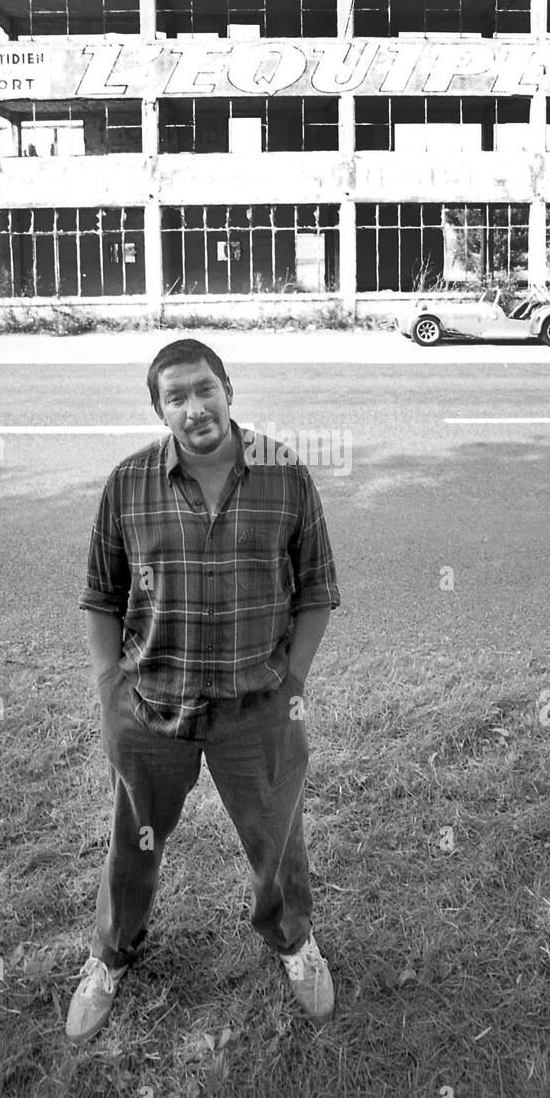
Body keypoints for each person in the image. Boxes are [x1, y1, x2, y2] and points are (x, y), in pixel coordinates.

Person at [66, 337, 340, 1042]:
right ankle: (111, 955)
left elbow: (316, 590)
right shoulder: (128, 484)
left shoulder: (285, 475)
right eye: (175, 398)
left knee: (276, 838)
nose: (194, 408)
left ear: (228, 388)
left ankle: (291, 941)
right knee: (135, 840)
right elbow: (102, 596)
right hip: (151, 707)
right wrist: (107, 687)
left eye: (203, 389)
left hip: (258, 709)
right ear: (159, 411)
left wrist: (294, 681)